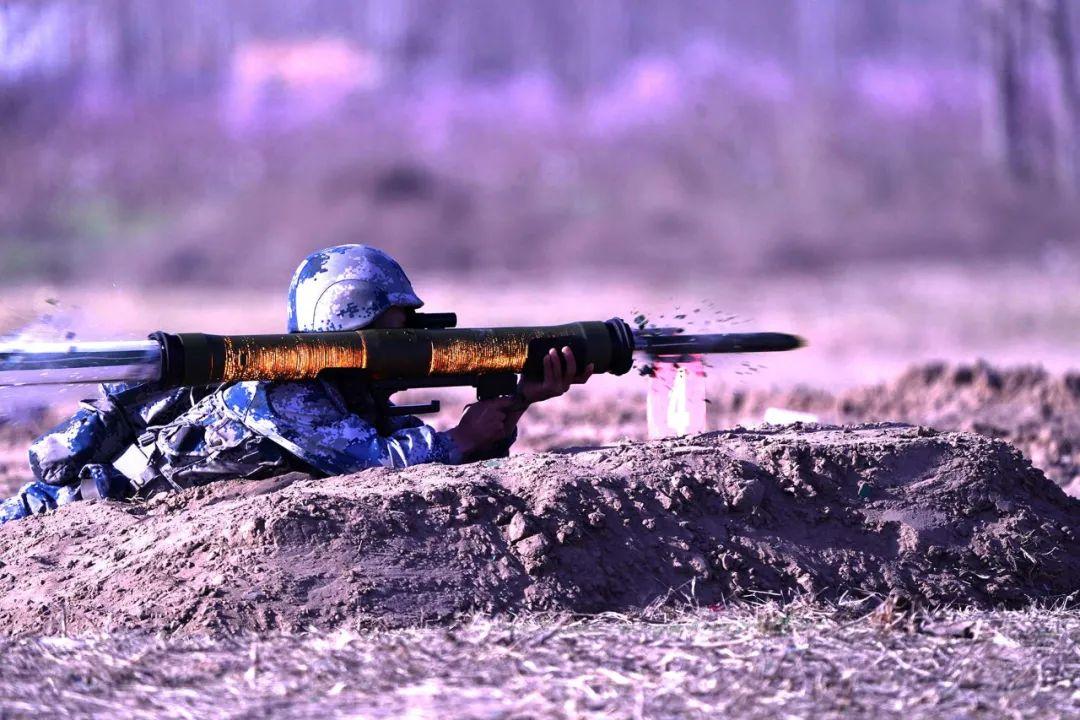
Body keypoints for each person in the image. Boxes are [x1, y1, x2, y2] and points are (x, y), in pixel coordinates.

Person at [0, 244, 593, 524]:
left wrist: (514, 401)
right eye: (391, 335)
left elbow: (440, 477)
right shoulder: (285, 389)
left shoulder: (346, 394)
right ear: (344, 331)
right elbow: (373, 467)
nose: (410, 348)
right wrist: (458, 440)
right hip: (63, 516)